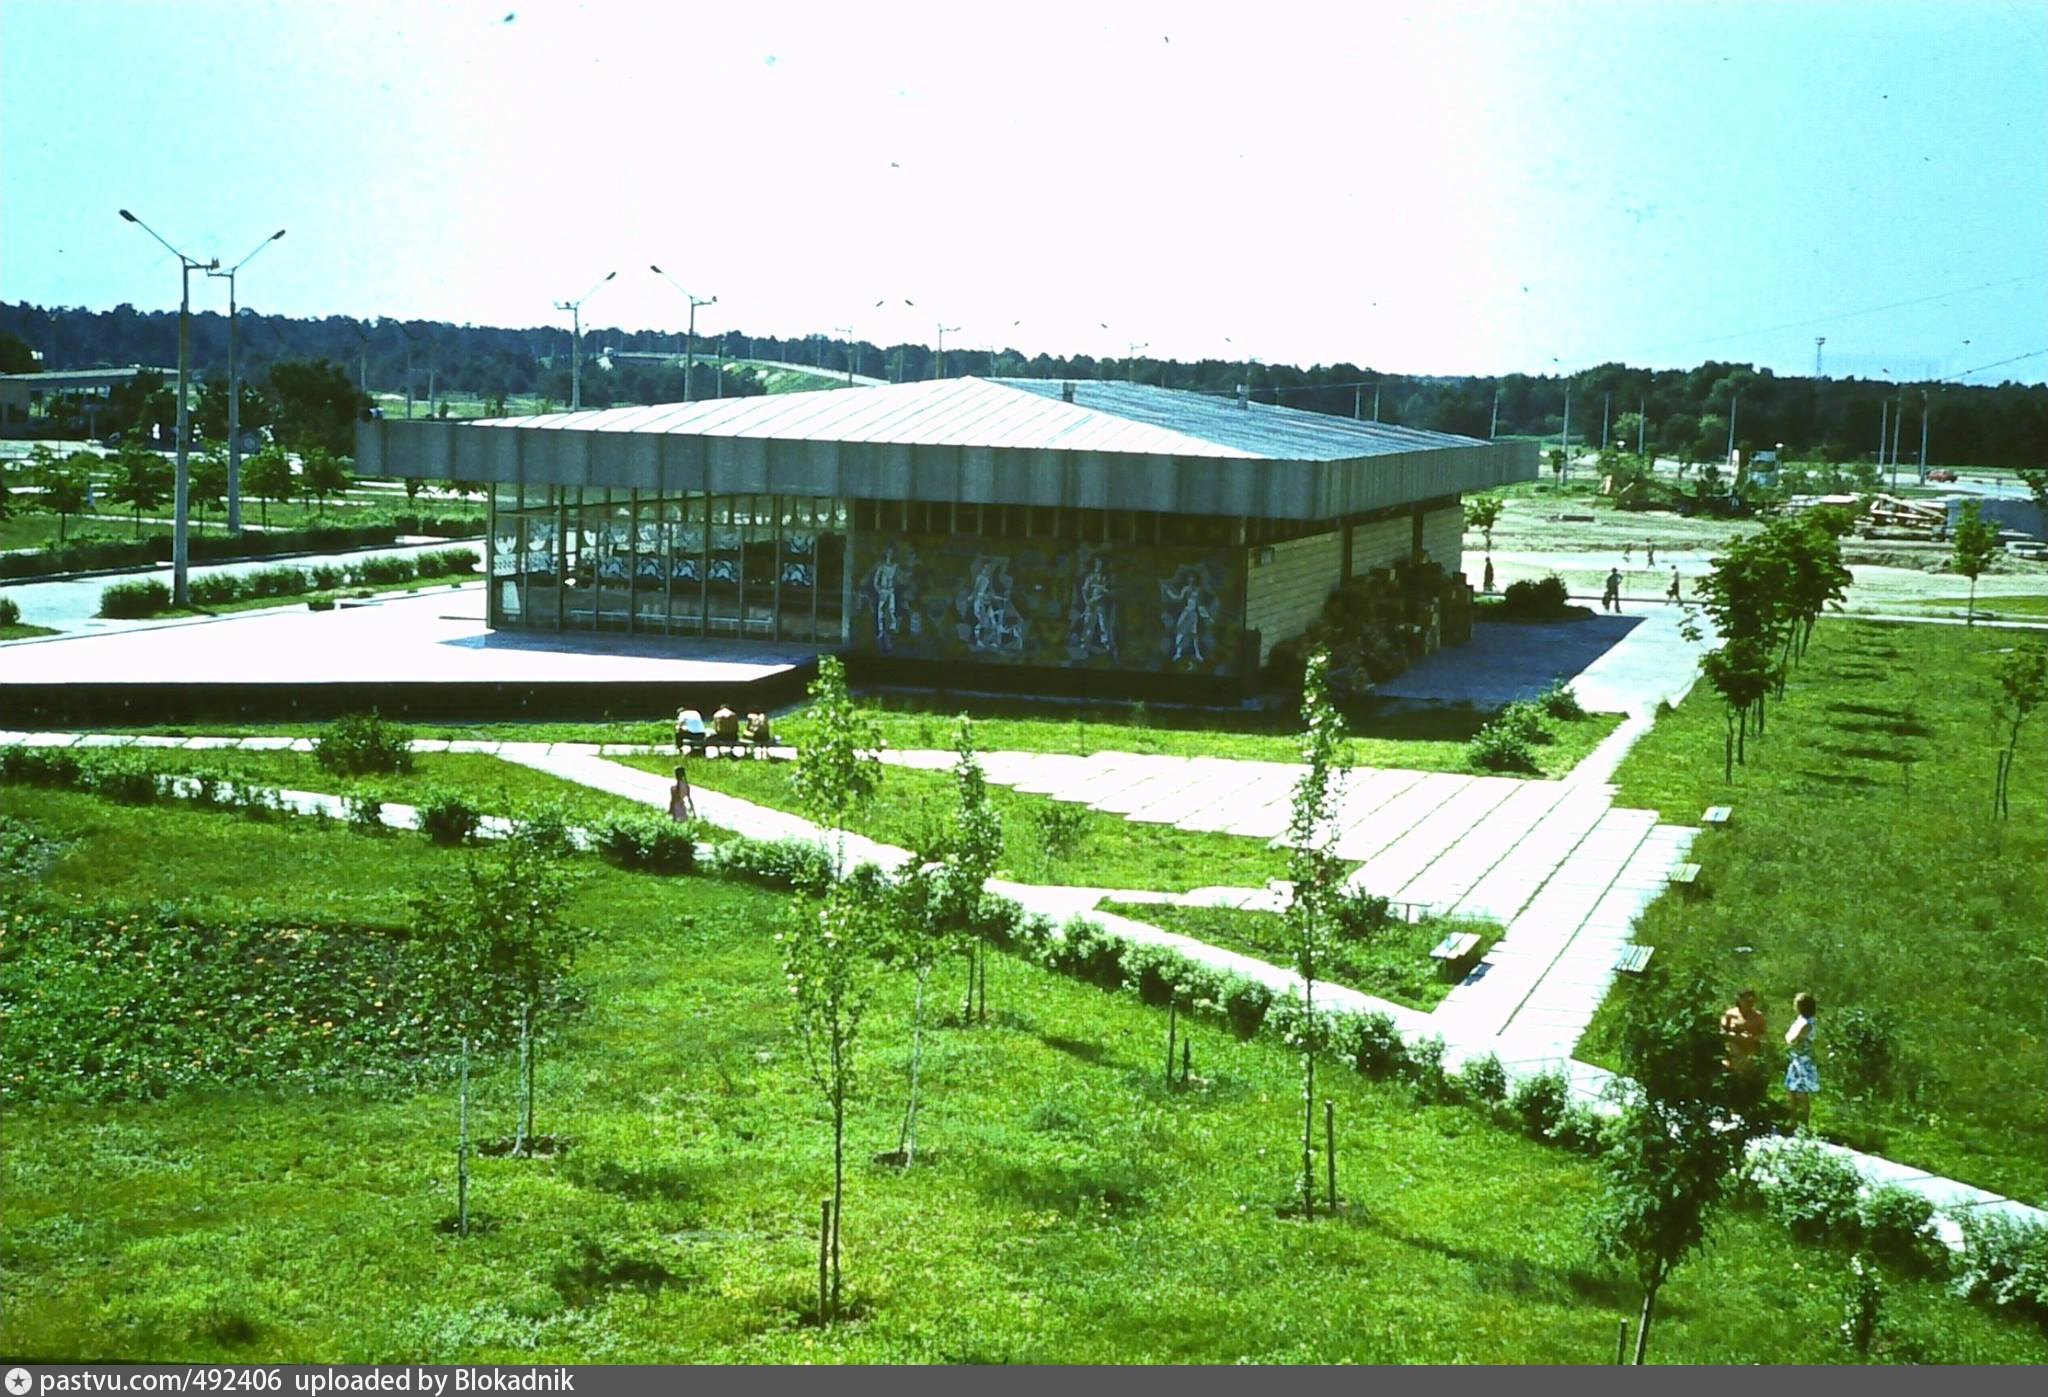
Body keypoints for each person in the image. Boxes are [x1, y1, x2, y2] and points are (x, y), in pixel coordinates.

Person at [1784, 992, 1820, 1129]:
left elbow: (1794, 1039)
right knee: (1791, 1091)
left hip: (1804, 1062)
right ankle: (1792, 1121)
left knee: (1801, 1093)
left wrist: (1790, 1039)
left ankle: (1804, 1124)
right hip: (1795, 1059)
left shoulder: (1808, 1023)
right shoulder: (1800, 1020)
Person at [1720, 987, 1768, 1072]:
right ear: (1739, 1000)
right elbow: (1722, 1032)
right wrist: (1736, 1036)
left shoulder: (1758, 1017)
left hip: (1751, 1053)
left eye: (1751, 1001)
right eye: (1747, 1001)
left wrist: (1753, 1037)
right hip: (1733, 1052)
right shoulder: (1730, 1014)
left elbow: (1764, 1035)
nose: (1749, 1003)